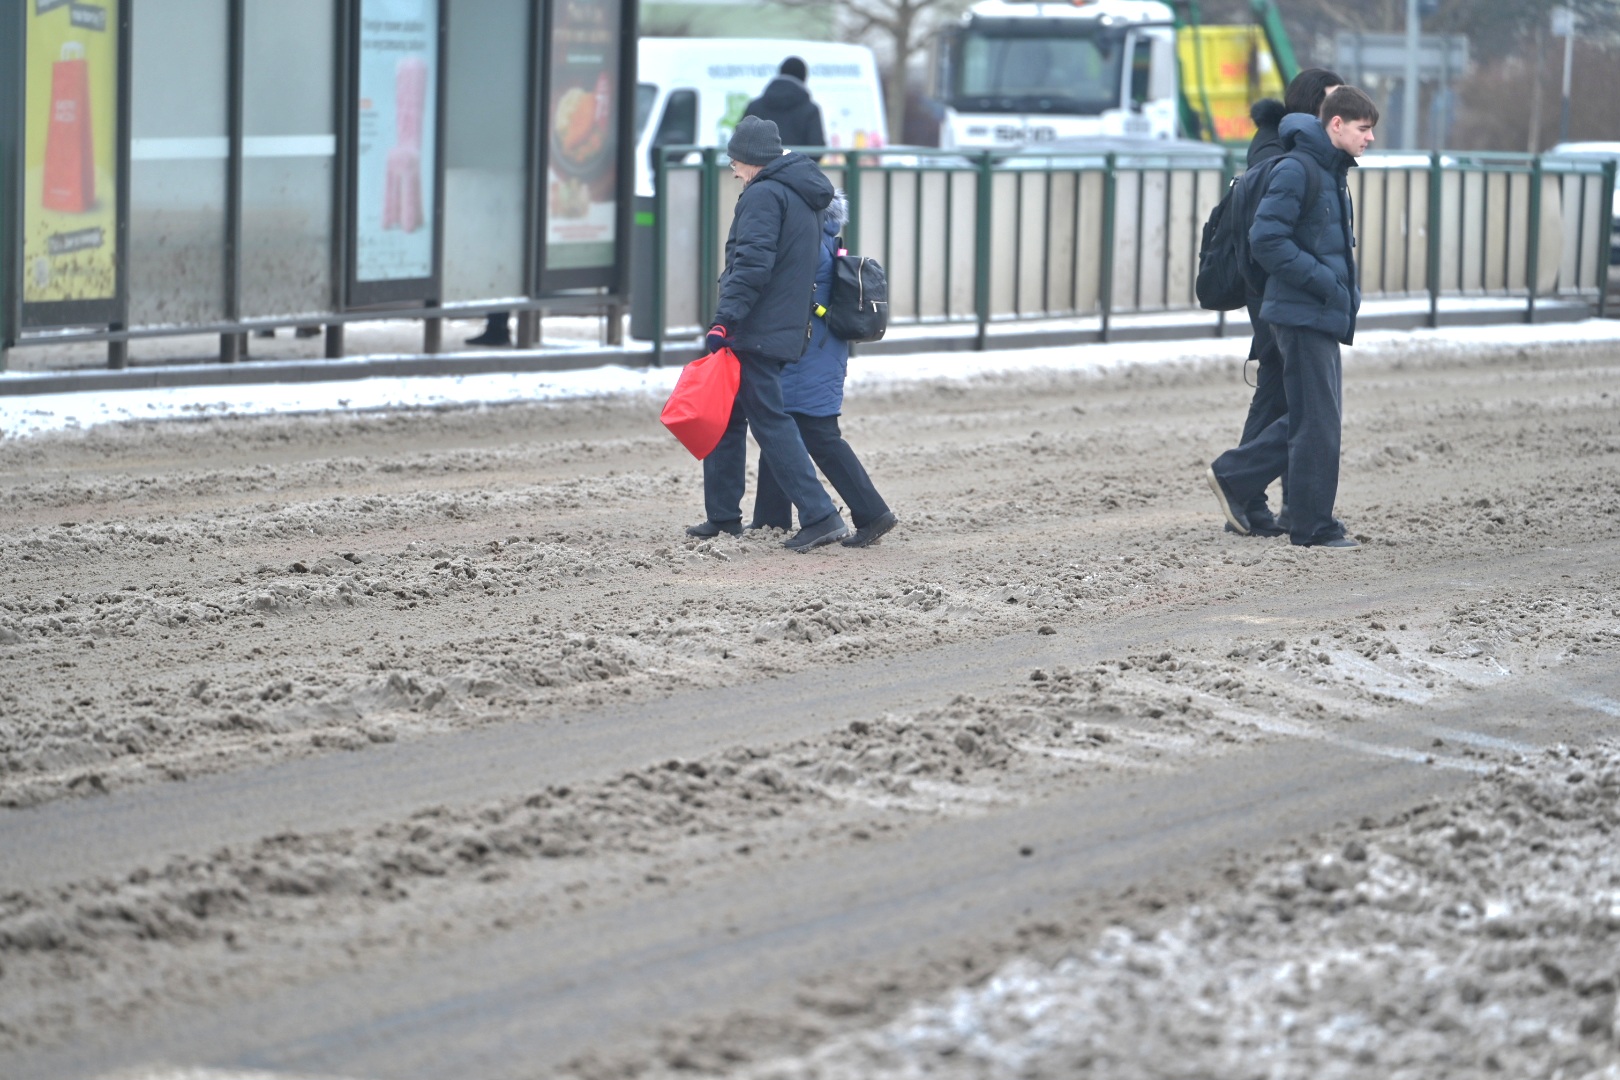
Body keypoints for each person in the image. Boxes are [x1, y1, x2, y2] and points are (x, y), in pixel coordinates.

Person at [1206, 86, 1379, 550]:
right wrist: (1325, 281)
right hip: (1302, 312)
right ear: (1336, 124)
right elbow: (1266, 238)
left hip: (1316, 312)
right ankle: (1292, 513)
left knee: (1312, 420)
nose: (1371, 138)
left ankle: (1297, 516)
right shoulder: (1298, 168)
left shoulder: (1328, 171)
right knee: (1316, 422)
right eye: (1364, 129)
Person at [686, 116, 848, 552]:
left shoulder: (763, 196)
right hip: (778, 324)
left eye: (735, 161)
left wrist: (725, 319)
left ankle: (820, 514)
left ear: (751, 160)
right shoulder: (801, 194)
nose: (733, 170)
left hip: (755, 327)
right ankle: (722, 516)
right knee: (728, 416)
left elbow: (751, 265)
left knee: (770, 421)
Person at [747, 190, 897, 548]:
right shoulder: (820, 235)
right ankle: (770, 516)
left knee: (817, 432)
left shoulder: (807, 239)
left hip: (808, 351)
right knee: (779, 425)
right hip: (815, 348)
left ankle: (872, 512)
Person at [1229, 67, 1344, 536]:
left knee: (1282, 392)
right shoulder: (1281, 150)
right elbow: (1268, 233)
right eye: (1335, 102)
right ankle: (1247, 491)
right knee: (1291, 397)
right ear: (1315, 104)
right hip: (1278, 289)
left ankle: (1265, 501)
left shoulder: (1296, 147)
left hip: (1288, 287)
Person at [743, 57, 826, 154]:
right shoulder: (810, 110)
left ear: (780, 73)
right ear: (804, 78)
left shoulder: (754, 106)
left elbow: (739, 143)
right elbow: (817, 150)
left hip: (761, 168)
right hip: (798, 168)